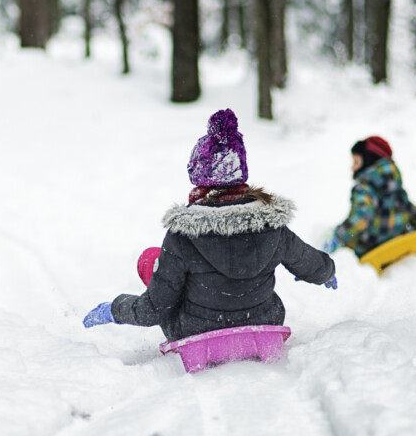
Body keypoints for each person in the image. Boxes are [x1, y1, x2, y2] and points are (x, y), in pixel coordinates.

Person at [82, 109, 337, 342]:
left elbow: (155, 310)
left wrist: (115, 309)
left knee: (151, 259)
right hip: (263, 321)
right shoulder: (272, 226)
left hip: (195, 331)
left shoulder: (184, 234)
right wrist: (327, 272)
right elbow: (310, 262)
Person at [322, 136, 416, 257]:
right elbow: (408, 208)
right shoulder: (395, 186)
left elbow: (362, 218)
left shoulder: (363, 188)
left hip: (369, 248)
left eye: (356, 162)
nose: (352, 167)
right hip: (397, 240)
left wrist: (338, 237)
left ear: (369, 160)